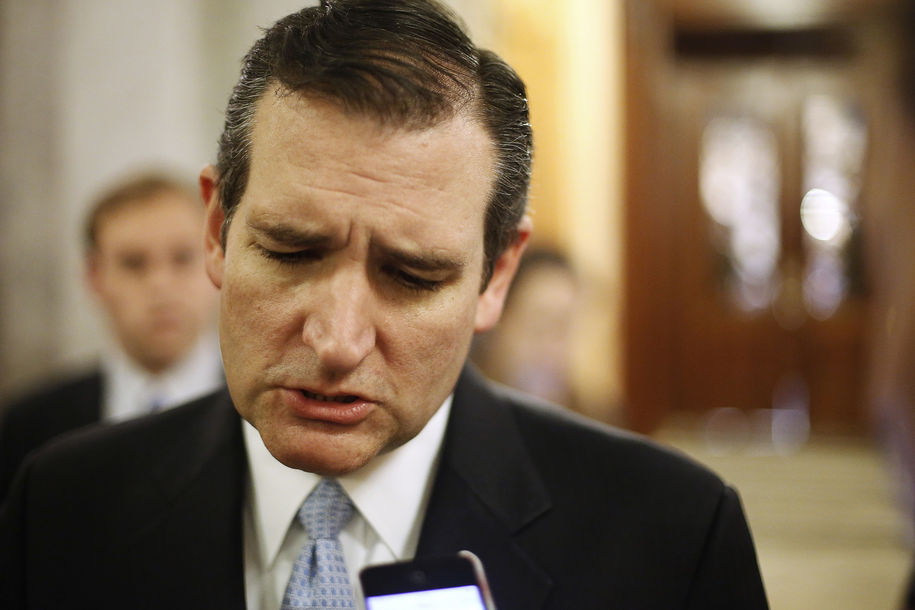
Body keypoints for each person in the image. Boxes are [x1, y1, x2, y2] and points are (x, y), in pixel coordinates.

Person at [0, 2, 768, 608]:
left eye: (413, 275)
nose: (336, 340)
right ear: (218, 228)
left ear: (495, 275)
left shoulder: (669, 539)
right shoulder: (63, 510)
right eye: (292, 252)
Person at [0, 172, 223, 501]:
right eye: (133, 264)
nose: (161, 285)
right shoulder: (29, 428)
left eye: (183, 258)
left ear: (217, 260)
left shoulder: (263, 416)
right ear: (95, 276)